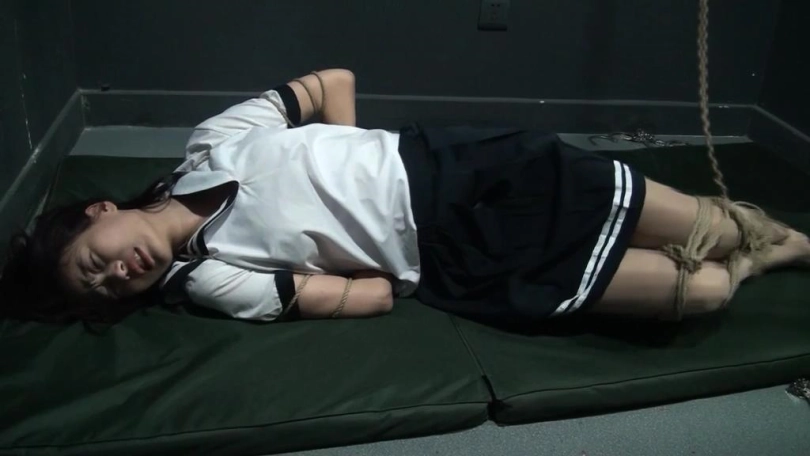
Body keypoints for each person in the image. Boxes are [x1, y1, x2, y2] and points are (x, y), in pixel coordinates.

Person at [1, 68, 808, 327]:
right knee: (702, 291)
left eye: (93, 262)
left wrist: (352, 154)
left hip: (464, 166)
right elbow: (376, 296)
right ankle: (766, 257)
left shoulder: (212, 142)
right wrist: (350, 261)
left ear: (100, 213)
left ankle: (783, 241)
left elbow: (332, 82)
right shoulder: (212, 278)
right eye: (105, 290)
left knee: (708, 226)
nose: (117, 274)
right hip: (458, 254)